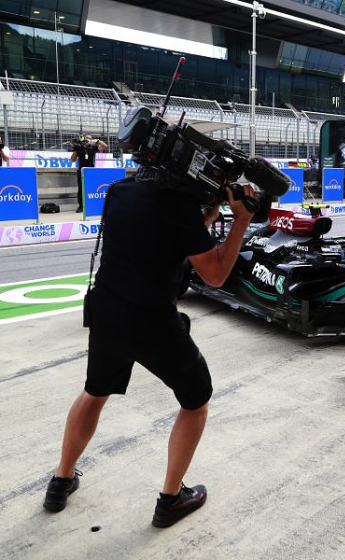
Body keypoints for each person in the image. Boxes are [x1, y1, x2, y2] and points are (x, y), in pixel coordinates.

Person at [43, 156, 257, 527]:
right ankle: (171, 500)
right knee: (197, 401)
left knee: (94, 391)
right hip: (153, 321)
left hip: (108, 311)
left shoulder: (120, 191)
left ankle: (60, 481)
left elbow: (157, 235)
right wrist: (241, 219)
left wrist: (203, 217)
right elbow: (216, 275)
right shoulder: (179, 207)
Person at [71, 134, 108, 213]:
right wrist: (75, 149)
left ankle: (91, 205)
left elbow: (105, 146)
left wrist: (97, 141)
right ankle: (81, 206)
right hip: (81, 171)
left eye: (90, 138)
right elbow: (72, 159)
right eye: (87, 138)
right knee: (81, 189)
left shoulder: (93, 147)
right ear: (83, 138)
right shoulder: (78, 147)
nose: (88, 140)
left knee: (91, 188)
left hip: (91, 171)